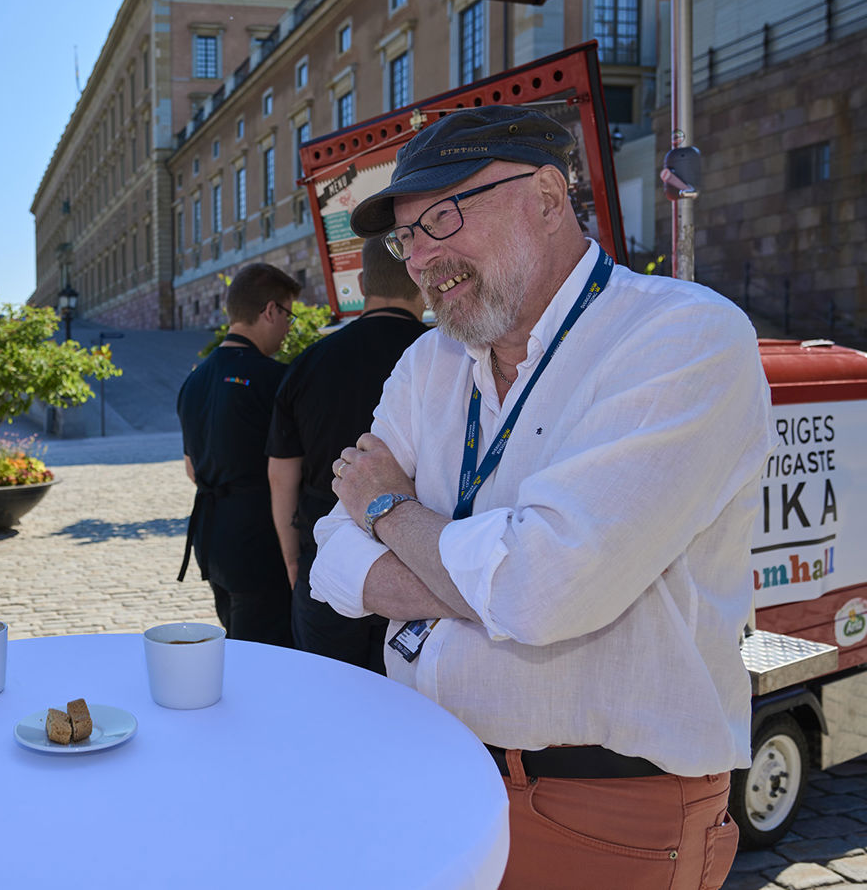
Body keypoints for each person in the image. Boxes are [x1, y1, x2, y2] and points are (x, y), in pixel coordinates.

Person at [310, 105, 769, 888]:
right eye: (408, 236)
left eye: (444, 218)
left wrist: (390, 511)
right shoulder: (431, 363)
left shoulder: (681, 336)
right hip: (430, 765)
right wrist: (482, 585)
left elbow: (541, 588)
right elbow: (331, 549)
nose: (422, 257)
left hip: (601, 807)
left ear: (549, 199)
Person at [266, 236, 428, 670]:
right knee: (413, 718)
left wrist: (292, 559)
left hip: (330, 562)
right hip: (418, 572)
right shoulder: (444, 359)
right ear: (422, 279)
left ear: (360, 282)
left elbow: (281, 476)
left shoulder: (309, 362)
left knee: (330, 709)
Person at [176, 263, 300, 647]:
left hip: (212, 539)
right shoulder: (275, 378)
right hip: (261, 541)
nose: (288, 327)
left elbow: (192, 470)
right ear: (270, 311)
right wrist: (294, 558)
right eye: (288, 315)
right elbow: (286, 475)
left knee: (239, 643)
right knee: (268, 657)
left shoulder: (194, 379)